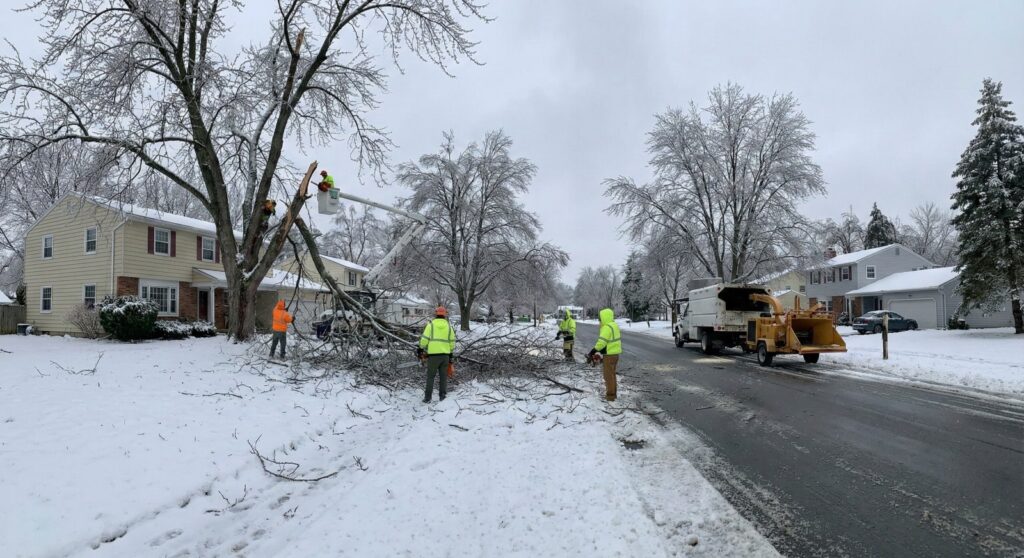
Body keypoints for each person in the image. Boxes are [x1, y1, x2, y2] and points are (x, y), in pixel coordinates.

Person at [417, 306, 456, 403]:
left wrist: (420, 348)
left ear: (436, 314)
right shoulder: (449, 326)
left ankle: (427, 398)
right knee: (443, 377)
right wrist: (450, 353)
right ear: (445, 315)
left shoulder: (431, 325)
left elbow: (424, 339)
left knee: (430, 377)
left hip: (433, 356)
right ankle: (442, 396)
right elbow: (452, 342)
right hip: (445, 356)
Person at [588, 308, 622, 401]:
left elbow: (602, 342)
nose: (600, 319)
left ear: (604, 317)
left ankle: (610, 396)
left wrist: (593, 351)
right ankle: (613, 394)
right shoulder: (614, 325)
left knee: (608, 376)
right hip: (615, 354)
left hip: (609, 355)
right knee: (612, 375)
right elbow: (609, 341)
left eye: (600, 317)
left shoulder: (607, 327)